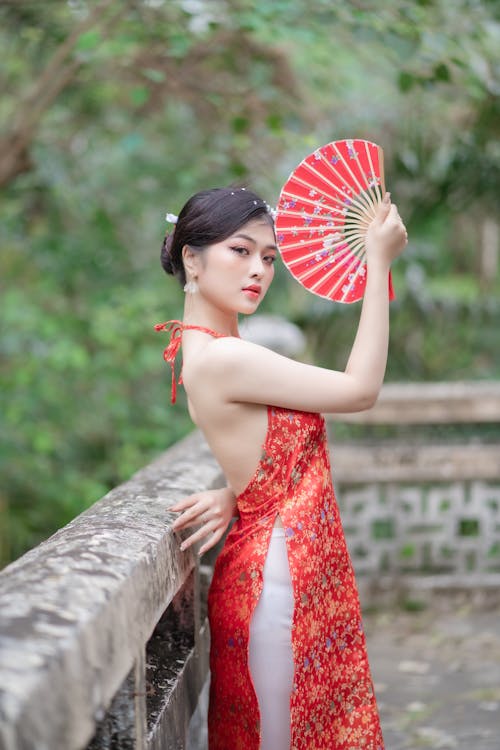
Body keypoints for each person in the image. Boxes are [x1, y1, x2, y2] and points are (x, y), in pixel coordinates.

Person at [156, 186, 407, 750]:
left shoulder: (211, 346)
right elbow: (361, 391)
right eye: (240, 251)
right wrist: (379, 265)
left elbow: (253, 442)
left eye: (269, 257)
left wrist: (237, 489)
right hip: (278, 573)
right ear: (191, 258)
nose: (259, 270)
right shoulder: (224, 357)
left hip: (282, 556)